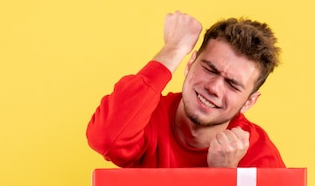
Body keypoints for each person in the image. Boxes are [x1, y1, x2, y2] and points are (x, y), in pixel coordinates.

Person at [86, 11, 285, 168]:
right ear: (190, 64)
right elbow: (106, 138)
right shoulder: (147, 116)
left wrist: (225, 175)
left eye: (232, 84)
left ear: (249, 102)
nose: (214, 87)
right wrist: (174, 49)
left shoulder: (259, 157)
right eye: (209, 69)